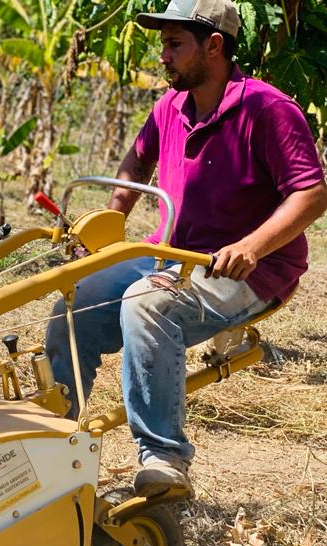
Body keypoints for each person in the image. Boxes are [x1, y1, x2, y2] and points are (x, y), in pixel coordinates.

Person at [44, 0, 327, 497]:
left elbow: (311, 192)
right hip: (172, 252)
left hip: (249, 269)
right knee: (74, 300)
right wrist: (108, 226)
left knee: (146, 305)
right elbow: (134, 166)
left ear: (213, 46)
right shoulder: (169, 107)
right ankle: (49, 437)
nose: (163, 57)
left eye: (174, 45)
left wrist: (252, 246)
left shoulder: (268, 110)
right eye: (163, 46)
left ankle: (164, 457)